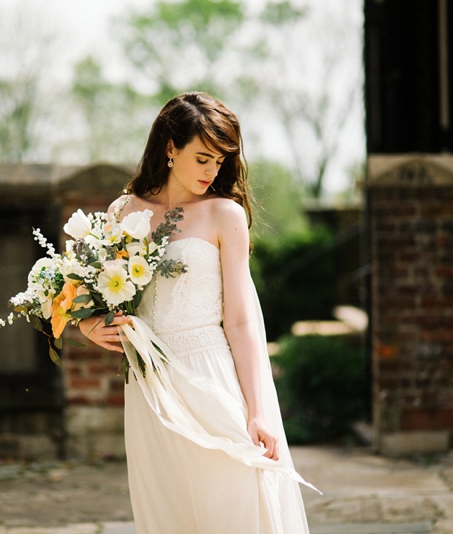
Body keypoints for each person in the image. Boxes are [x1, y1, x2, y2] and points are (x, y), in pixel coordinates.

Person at [79, 92, 312, 533]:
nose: (212, 172)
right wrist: (90, 324)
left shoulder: (226, 215)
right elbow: (86, 291)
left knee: (233, 504)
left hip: (212, 375)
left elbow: (240, 320)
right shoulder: (123, 212)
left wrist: (257, 410)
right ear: (171, 147)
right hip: (150, 384)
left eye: (220, 162)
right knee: (169, 511)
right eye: (203, 158)